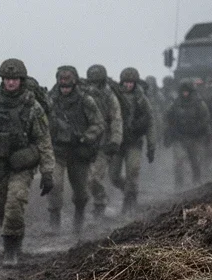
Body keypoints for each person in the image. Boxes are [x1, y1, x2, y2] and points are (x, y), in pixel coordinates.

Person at [0, 58, 55, 266]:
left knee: (15, 204)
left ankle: (10, 249)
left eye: (15, 79)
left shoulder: (32, 107)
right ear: (2, 80)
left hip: (22, 166)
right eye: (7, 79)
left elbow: (43, 139)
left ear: (21, 80)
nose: (11, 83)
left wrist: (47, 172)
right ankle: (13, 234)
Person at [46, 66, 104, 233]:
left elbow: (99, 124)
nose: (64, 89)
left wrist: (86, 137)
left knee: (80, 190)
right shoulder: (50, 99)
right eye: (62, 85)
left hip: (78, 151)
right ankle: (54, 220)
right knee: (54, 184)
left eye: (68, 85)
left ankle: (79, 217)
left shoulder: (85, 100)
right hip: (57, 150)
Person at [110, 67, 156, 212]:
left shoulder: (141, 99)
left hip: (134, 141)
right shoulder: (114, 96)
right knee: (114, 176)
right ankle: (129, 191)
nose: (128, 85)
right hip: (118, 142)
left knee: (133, 172)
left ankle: (130, 200)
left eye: (131, 83)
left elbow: (150, 122)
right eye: (126, 82)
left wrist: (151, 145)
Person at [83, 64, 123, 218]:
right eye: (92, 82)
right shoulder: (82, 94)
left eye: (97, 82)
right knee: (85, 180)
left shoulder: (109, 97)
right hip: (86, 142)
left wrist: (115, 140)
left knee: (94, 178)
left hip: (103, 144)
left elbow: (116, 119)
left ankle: (100, 204)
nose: (94, 86)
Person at [162, 80, 212, 188]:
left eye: (187, 91)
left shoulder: (199, 103)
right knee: (179, 161)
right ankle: (179, 185)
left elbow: (206, 119)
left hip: (195, 138)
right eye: (183, 91)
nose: (185, 93)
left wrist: (200, 130)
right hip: (179, 138)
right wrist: (169, 132)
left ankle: (197, 181)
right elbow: (167, 118)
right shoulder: (175, 104)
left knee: (195, 162)